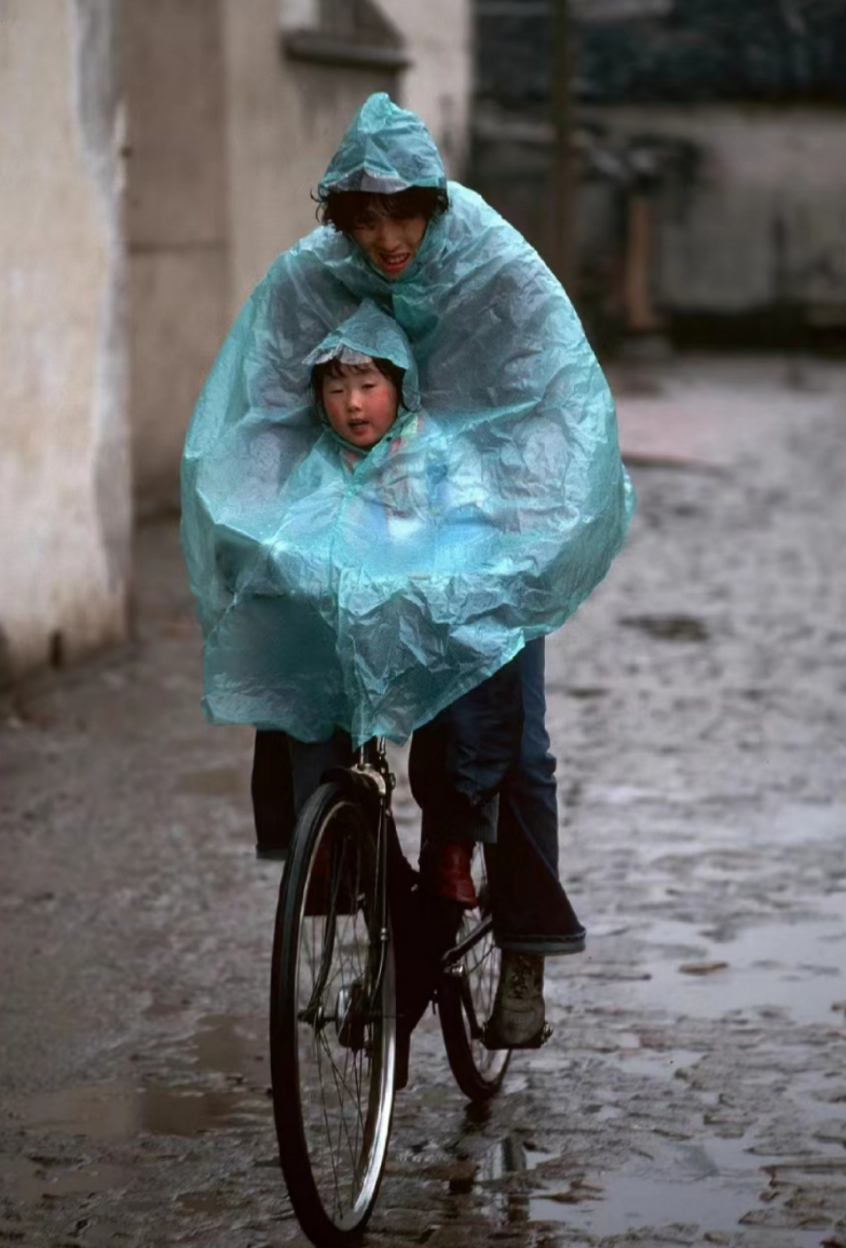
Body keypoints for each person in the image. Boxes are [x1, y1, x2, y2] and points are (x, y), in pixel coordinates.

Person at [181, 93, 636, 1056]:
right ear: (339, 222)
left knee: (515, 735)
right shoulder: (313, 274)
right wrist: (261, 528)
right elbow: (257, 409)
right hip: (364, 520)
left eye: (403, 214)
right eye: (364, 220)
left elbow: (555, 405)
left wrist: (516, 535)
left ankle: (520, 946)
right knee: (302, 685)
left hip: (484, 515)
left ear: (435, 203)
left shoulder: (496, 266)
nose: (386, 238)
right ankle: (365, 876)